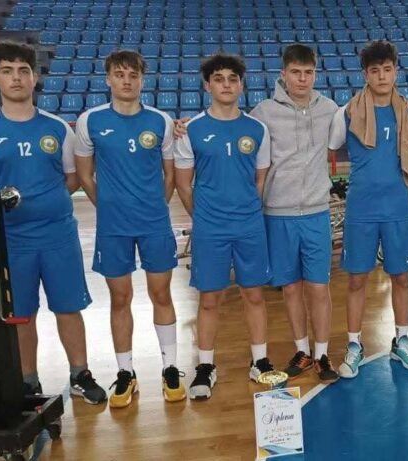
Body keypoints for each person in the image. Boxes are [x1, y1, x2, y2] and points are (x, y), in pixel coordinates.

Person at [0, 41, 106, 404]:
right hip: (10, 239)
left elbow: (72, 177)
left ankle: (80, 374)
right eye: (7, 71)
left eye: (23, 71)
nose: (16, 78)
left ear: (34, 77)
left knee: (68, 306)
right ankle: (27, 381)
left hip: (57, 236)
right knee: (21, 314)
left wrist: (44, 203)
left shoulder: (57, 128)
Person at [74, 50, 184, 408]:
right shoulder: (90, 121)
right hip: (113, 227)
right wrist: (108, 207)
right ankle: (125, 372)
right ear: (108, 79)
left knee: (161, 294)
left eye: (133, 75)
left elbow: (170, 174)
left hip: (154, 224)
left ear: (142, 80)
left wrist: (154, 207)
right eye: (119, 74)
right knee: (120, 298)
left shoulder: (161, 121)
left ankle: (170, 367)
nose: (126, 81)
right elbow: (85, 175)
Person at [328, 40, 408, 379]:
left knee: (401, 277)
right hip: (361, 209)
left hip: (397, 207)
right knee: (356, 279)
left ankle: (401, 340)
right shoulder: (346, 113)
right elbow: (325, 150)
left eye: (387, 69)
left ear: (395, 72)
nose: (381, 76)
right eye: (374, 70)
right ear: (365, 74)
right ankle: (354, 344)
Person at [173, 54, 275, 399]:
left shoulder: (257, 129)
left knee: (254, 295)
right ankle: (205, 366)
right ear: (207, 85)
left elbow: (259, 179)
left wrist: (244, 209)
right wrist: (205, 217)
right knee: (209, 298)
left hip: (249, 225)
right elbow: (183, 184)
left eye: (233, 78)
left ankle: (260, 361)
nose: (226, 84)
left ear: (242, 85)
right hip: (210, 229)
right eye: (219, 78)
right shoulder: (191, 130)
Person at [249, 44, 340, 384]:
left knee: (318, 287)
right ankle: (302, 351)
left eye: (309, 73)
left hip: (316, 212)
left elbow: (366, 117)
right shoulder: (263, 112)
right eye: (296, 72)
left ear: (315, 74)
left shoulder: (330, 109)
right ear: (283, 74)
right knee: (290, 288)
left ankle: (322, 354)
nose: (303, 79)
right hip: (278, 214)